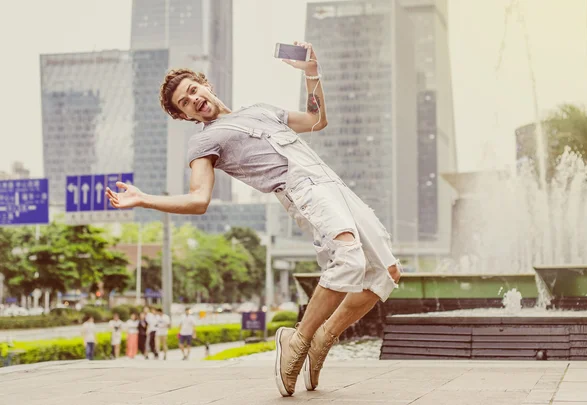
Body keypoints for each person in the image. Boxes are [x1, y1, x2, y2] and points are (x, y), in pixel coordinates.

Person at [105, 41, 401, 397]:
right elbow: (199, 199)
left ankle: (324, 337)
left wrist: (311, 74)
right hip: (301, 187)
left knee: (387, 273)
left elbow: (316, 120)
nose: (193, 99)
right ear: (185, 117)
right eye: (184, 103)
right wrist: (144, 199)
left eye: (193, 90)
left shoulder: (261, 110)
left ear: (206, 84)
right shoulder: (205, 142)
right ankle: (298, 339)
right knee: (349, 258)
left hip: (333, 183)